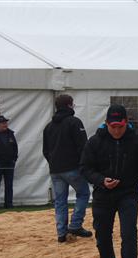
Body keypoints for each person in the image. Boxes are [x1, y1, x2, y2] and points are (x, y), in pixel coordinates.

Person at [80, 105, 138, 258]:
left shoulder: (137, 142)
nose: (116, 131)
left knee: (128, 233)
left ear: (126, 123)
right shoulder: (95, 142)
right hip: (102, 194)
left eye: (120, 126)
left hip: (128, 193)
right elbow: (85, 168)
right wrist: (101, 180)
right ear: (106, 123)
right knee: (102, 234)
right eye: (113, 126)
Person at [42, 94, 92, 243]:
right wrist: (84, 164)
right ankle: (75, 224)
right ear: (70, 105)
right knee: (83, 193)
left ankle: (61, 233)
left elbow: (45, 150)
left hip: (55, 169)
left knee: (60, 201)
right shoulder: (74, 122)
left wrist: (53, 162)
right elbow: (83, 146)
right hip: (72, 167)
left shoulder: (48, 127)